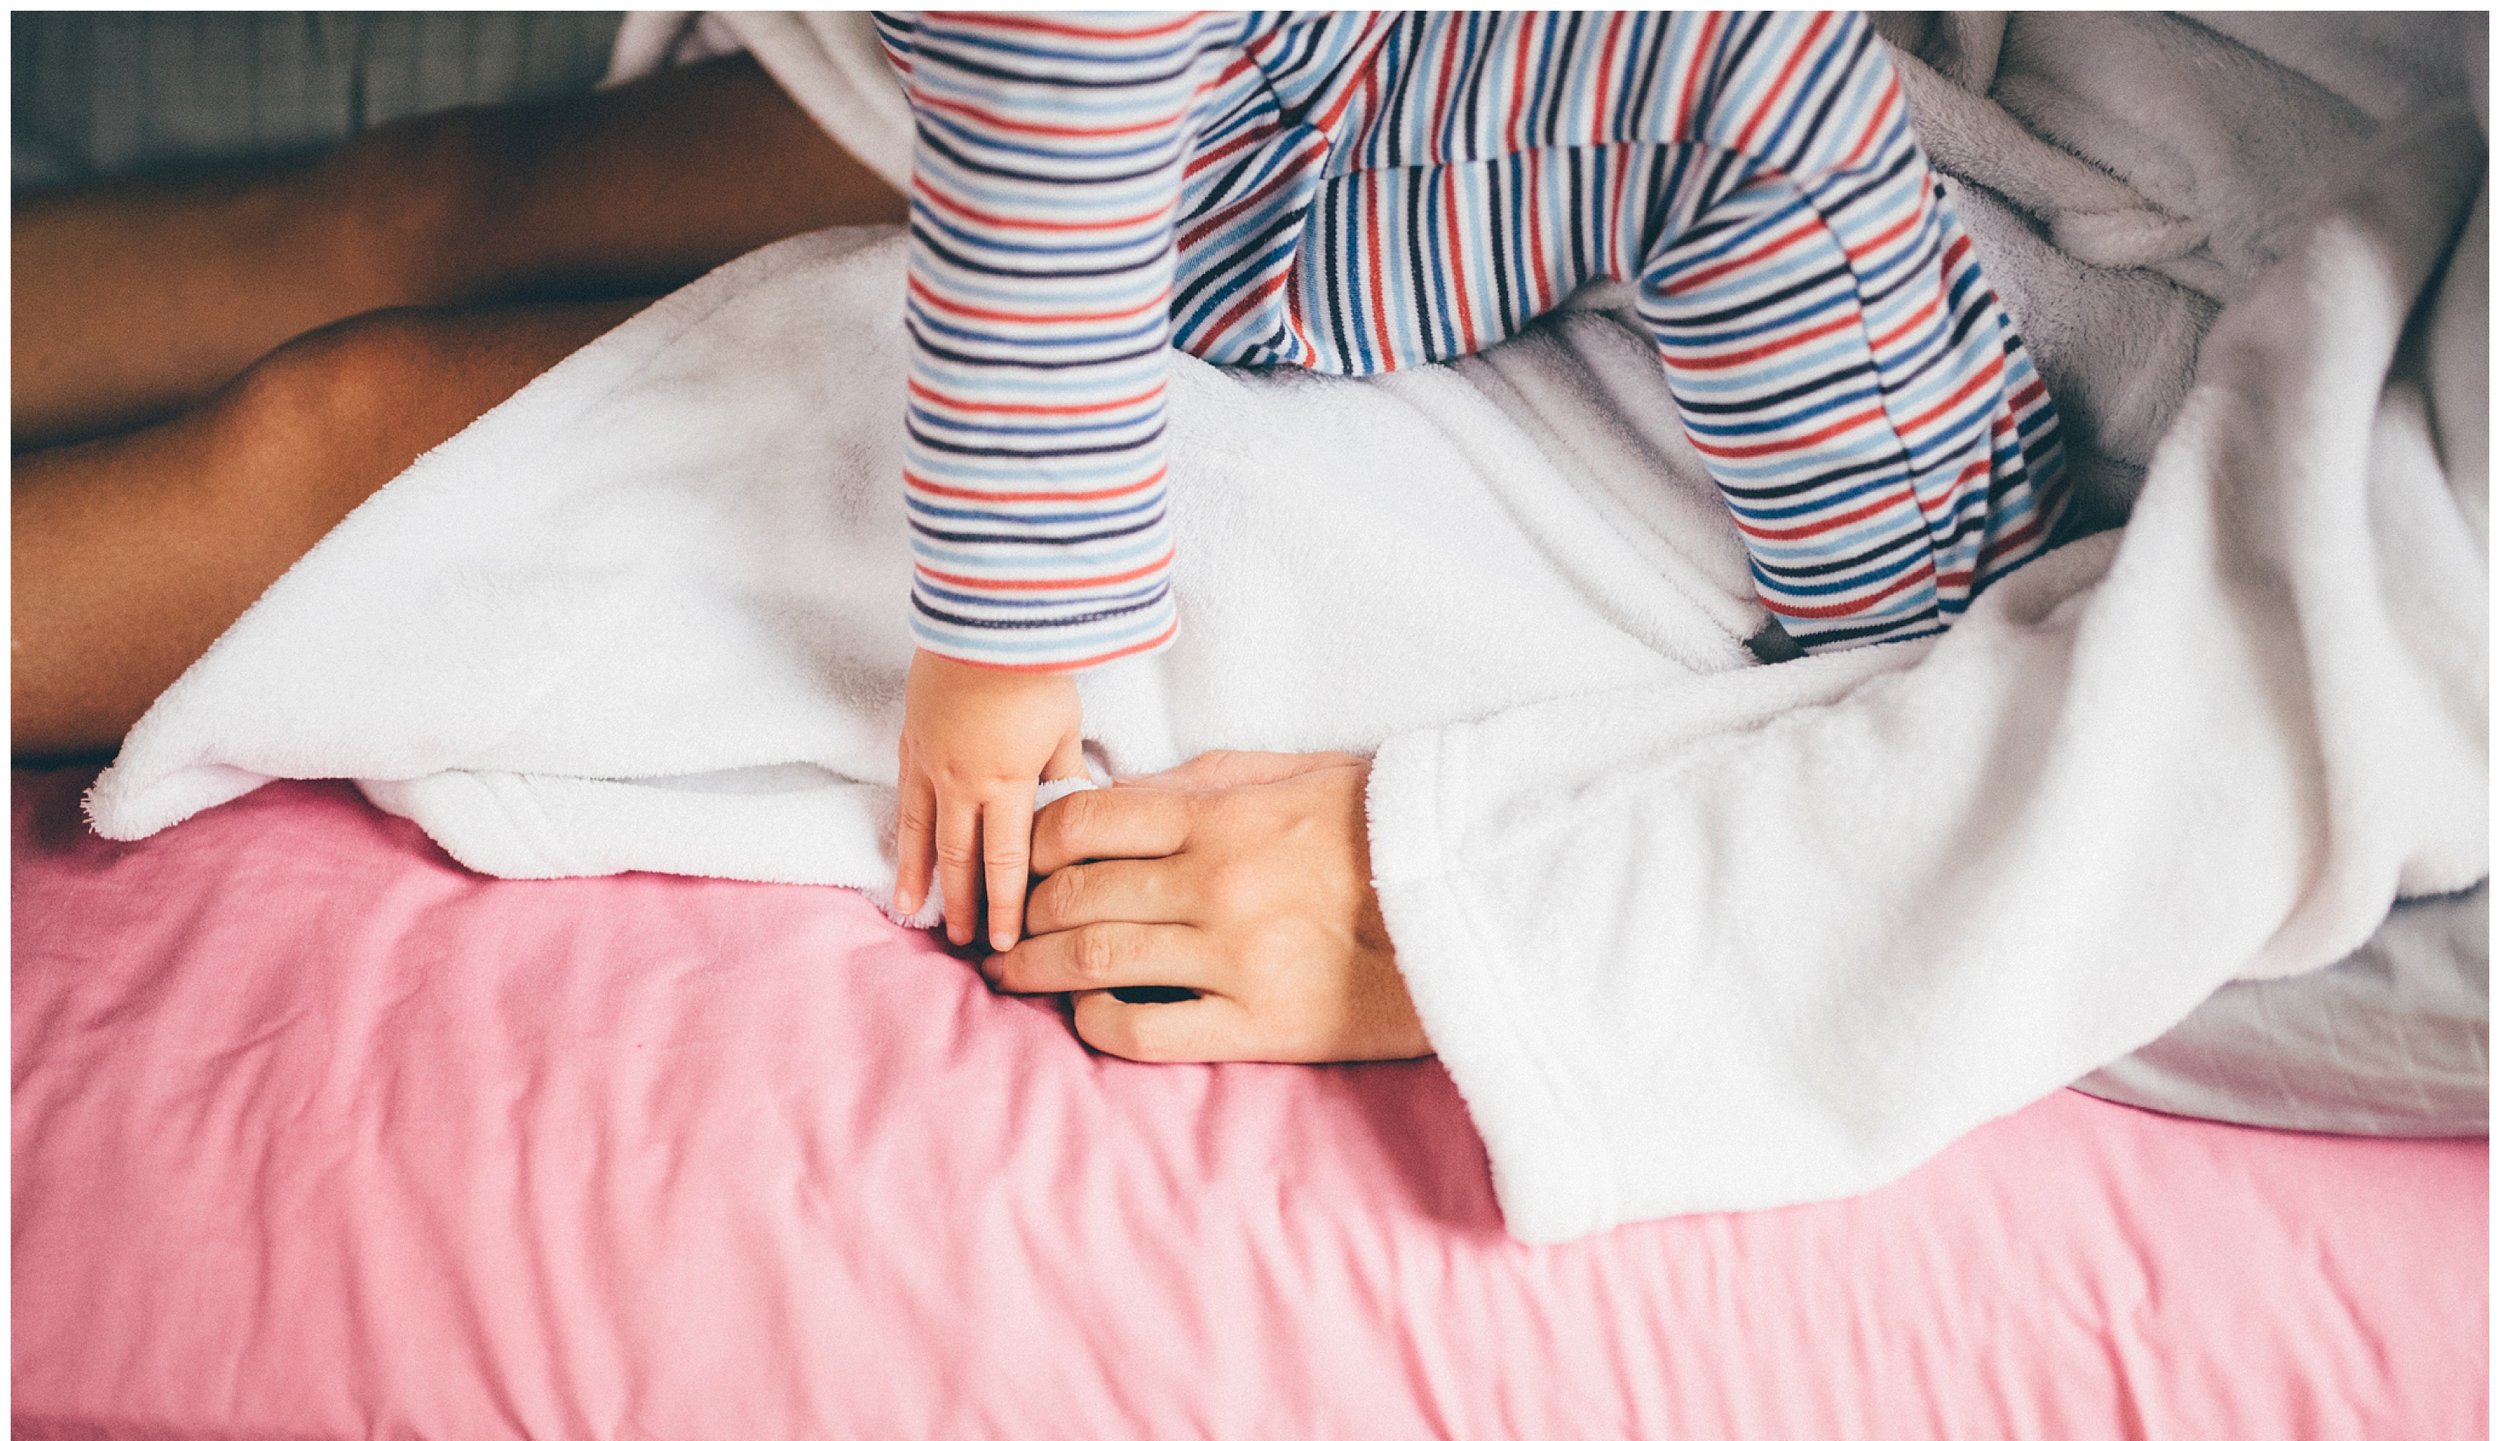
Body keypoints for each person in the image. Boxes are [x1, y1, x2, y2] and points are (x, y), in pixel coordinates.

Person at [10, 14, 2063, 1068]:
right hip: (1316, 149)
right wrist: (1009, 629)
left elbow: (1739, 104)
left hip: (1441, 199)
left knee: (361, 401)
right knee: (382, 314)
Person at [878, 11, 2070, 957]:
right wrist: (1005, 646)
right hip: (1278, 159)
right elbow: (1051, 118)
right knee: (1748, 93)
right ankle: (1930, 635)